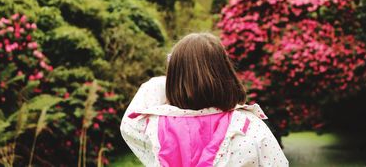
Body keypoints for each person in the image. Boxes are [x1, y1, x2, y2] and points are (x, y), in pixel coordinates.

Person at [120, 33, 289, 166]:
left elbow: (130, 120)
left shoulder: (152, 127)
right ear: (225, 72)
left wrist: (177, 76)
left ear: (172, 79)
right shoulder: (248, 127)